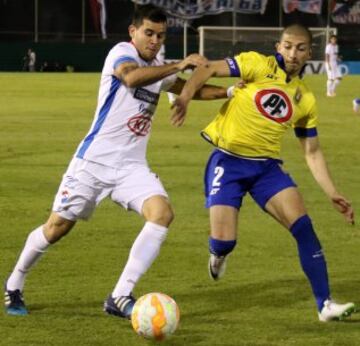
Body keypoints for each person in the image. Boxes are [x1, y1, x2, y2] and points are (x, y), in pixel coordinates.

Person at [4, 4, 229, 319]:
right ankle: (14, 282)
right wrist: (180, 64)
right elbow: (132, 78)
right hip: (93, 163)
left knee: (162, 214)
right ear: (133, 32)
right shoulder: (122, 54)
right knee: (56, 228)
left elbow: (194, 89)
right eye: (149, 33)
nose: (154, 40)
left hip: (131, 167)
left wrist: (233, 91)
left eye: (160, 35)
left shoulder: (160, 68)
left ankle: (120, 295)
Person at [171, 24, 357, 322]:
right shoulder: (256, 63)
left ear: (310, 52)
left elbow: (312, 151)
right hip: (227, 162)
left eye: (299, 48)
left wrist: (332, 192)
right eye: (287, 46)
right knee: (224, 241)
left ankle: (324, 305)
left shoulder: (305, 98)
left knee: (304, 228)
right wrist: (184, 97)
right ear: (278, 46)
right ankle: (218, 254)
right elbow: (206, 69)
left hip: (266, 169)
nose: (292, 53)